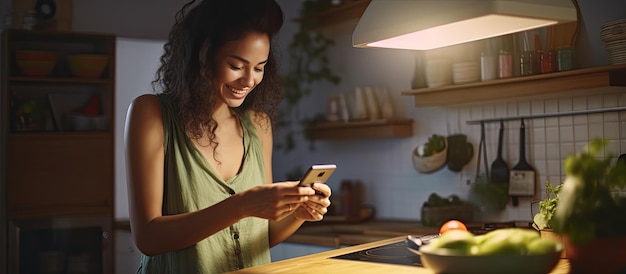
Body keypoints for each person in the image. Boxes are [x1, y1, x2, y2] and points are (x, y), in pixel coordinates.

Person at [123, 0, 332, 272]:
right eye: (236, 65)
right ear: (202, 56)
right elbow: (148, 238)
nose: (249, 81)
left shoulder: (258, 125)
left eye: (259, 68)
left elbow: (261, 236)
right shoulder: (151, 113)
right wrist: (242, 205)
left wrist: (298, 215)